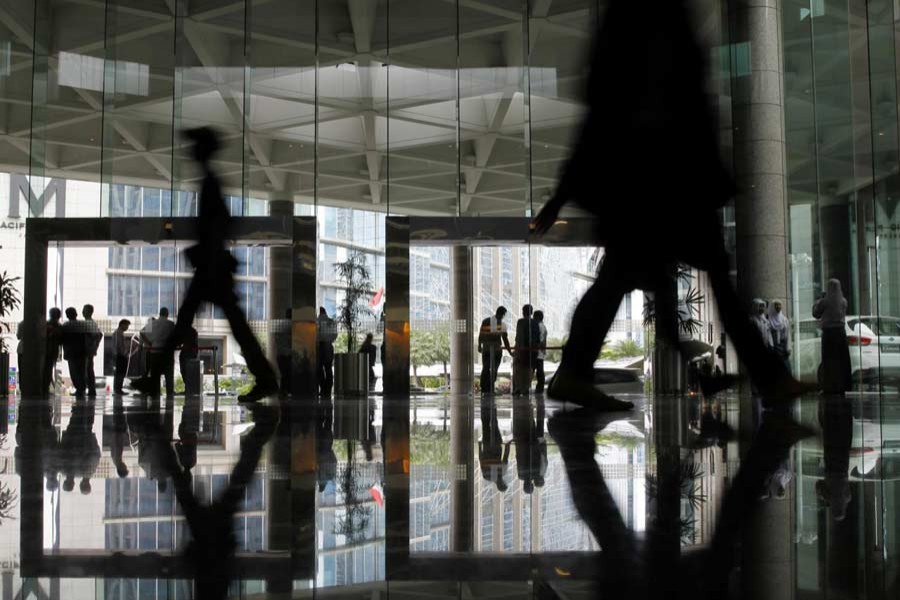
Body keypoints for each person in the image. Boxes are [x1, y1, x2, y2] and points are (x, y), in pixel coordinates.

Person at [531, 0, 809, 410]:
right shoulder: (646, 25)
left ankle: (573, 372)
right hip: (654, 177)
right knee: (655, 277)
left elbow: (609, 110)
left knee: (631, 278)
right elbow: (608, 112)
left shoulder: (642, 24)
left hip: (664, 176)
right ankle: (769, 378)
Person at [163, 126, 278, 403]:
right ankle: (266, 379)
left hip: (211, 269)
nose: (191, 152)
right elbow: (224, 222)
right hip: (213, 268)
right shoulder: (210, 182)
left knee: (192, 322)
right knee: (217, 325)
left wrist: (205, 253)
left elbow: (219, 225)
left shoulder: (210, 183)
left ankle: (266, 379)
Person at [812, 279, 851, 395]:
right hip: (840, 333)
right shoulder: (844, 301)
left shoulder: (825, 302)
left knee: (829, 361)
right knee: (841, 361)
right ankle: (842, 386)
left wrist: (818, 301)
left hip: (829, 334)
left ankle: (829, 386)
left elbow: (815, 314)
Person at [142, 307, 176, 397]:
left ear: (159, 313)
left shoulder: (152, 323)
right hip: (167, 352)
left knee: (156, 375)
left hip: (155, 351)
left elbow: (142, 332)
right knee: (169, 375)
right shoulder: (171, 324)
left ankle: (156, 394)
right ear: (167, 314)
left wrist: (149, 344)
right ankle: (170, 394)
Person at [478, 306, 512, 395]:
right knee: (494, 369)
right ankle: (490, 388)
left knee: (485, 368)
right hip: (496, 350)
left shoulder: (486, 321)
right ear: (503, 314)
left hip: (486, 349)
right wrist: (510, 352)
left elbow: (481, 334)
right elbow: (505, 340)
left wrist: (479, 345)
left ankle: (484, 388)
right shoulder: (502, 324)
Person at [513, 304, 540, 395]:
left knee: (519, 369)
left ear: (523, 312)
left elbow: (519, 336)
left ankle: (519, 388)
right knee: (529, 369)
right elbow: (537, 337)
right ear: (531, 312)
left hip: (522, 349)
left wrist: (517, 349)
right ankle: (526, 388)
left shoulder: (520, 322)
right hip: (532, 350)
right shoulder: (535, 322)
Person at [61, 307, 87, 397]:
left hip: (70, 352)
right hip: (81, 352)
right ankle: (82, 389)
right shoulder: (82, 325)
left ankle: (79, 389)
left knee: (74, 371)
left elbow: (61, 339)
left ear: (67, 315)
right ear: (76, 314)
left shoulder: (65, 326)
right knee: (82, 371)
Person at [82, 304, 103, 397]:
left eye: (84, 310)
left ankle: (86, 389)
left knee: (87, 370)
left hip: (87, 350)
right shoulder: (91, 323)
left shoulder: (89, 323)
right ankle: (91, 389)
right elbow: (100, 335)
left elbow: (96, 335)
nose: (82, 312)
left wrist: (92, 345)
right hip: (90, 350)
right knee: (89, 370)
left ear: (89, 312)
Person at [317, 307, 337, 396]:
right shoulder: (331, 321)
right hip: (329, 346)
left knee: (319, 368)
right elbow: (335, 335)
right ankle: (328, 389)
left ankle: (322, 388)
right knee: (328, 368)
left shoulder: (317, 321)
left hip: (320, 346)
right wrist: (329, 340)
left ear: (320, 312)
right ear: (325, 312)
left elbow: (315, 335)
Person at [43, 307, 63, 396]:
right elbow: (61, 340)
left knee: (46, 369)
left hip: (45, 350)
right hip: (53, 351)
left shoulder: (45, 325)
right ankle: (45, 387)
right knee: (48, 369)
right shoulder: (59, 327)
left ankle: (44, 387)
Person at [768, 299, 792, 371]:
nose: (778, 307)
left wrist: (788, 347)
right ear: (773, 307)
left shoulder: (784, 320)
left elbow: (788, 335)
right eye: (776, 305)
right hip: (774, 348)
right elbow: (769, 335)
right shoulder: (769, 320)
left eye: (779, 305)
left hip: (783, 348)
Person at [179, 325, 200, 397]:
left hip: (186, 354)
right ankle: (189, 389)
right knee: (189, 373)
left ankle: (188, 388)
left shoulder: (183, 331)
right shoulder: (194, 331)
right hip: (191, 354)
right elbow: (196, 344)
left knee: (184, 371)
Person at [112, 319, 131, 394]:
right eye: (126, 325)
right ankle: (118, 389)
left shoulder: (120, 333)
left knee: (120, 373)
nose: (127, 327)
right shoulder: (118, 333)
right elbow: (118, 346)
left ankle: (118, 389)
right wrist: (122, 354)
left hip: (121, 356)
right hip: (120, 356)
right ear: (122, 324)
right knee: (120, 373)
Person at [533, 310, 548, 393]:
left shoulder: (538, 326)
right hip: (540, 352)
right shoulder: (543, 326)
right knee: (539, 370)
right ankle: (540, 388)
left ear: (537, 317)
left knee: (538, 370)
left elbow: (540, 340)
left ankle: (539, 388)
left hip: (537, 351)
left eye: (534, 316)